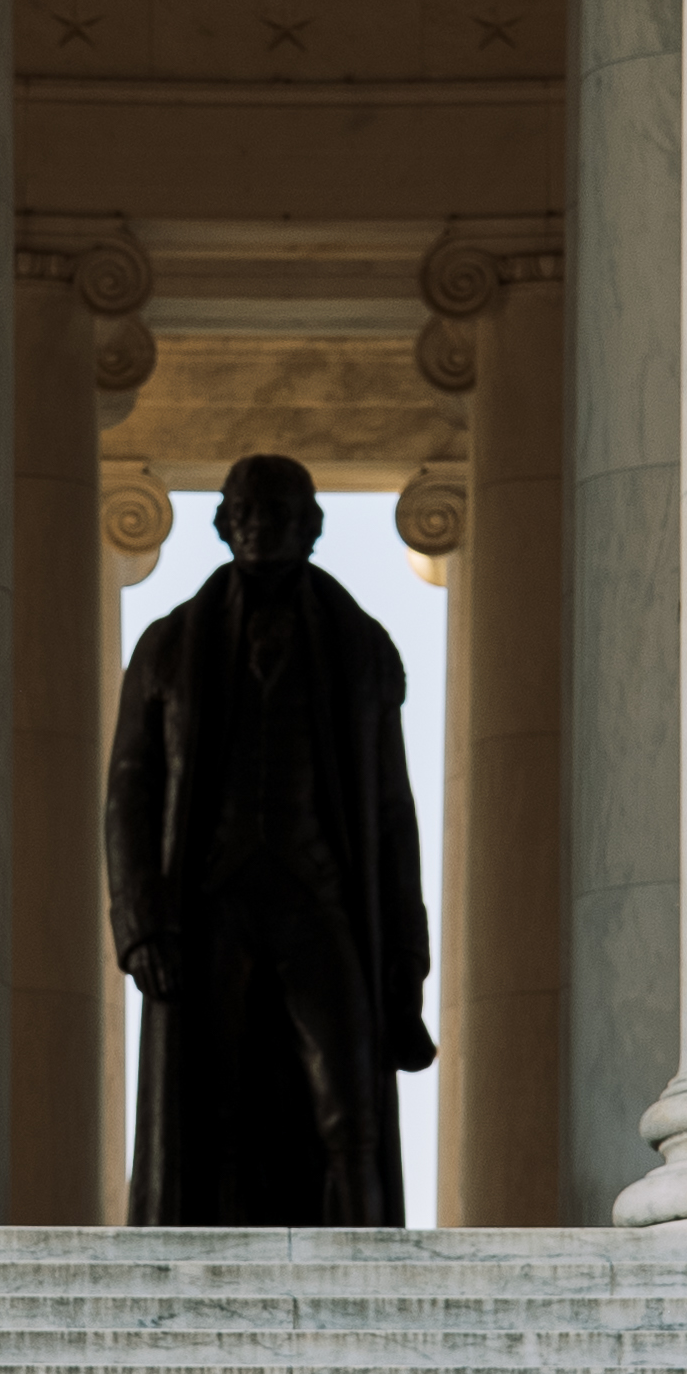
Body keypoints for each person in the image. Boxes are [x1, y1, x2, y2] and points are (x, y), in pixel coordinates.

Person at [106, 449, 431, 1227]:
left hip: (320, 899)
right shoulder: (165, 648)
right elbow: (130, 792)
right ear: (222, 525)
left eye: (278, 511)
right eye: (245, 511)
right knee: (212, 1110)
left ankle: (370, 1282)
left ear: (312, 527)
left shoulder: (364, 651)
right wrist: (142, 922)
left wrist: (406, 952)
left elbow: (392, 809)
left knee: (346, 1105)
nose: (259, 525)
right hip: (213, 900)